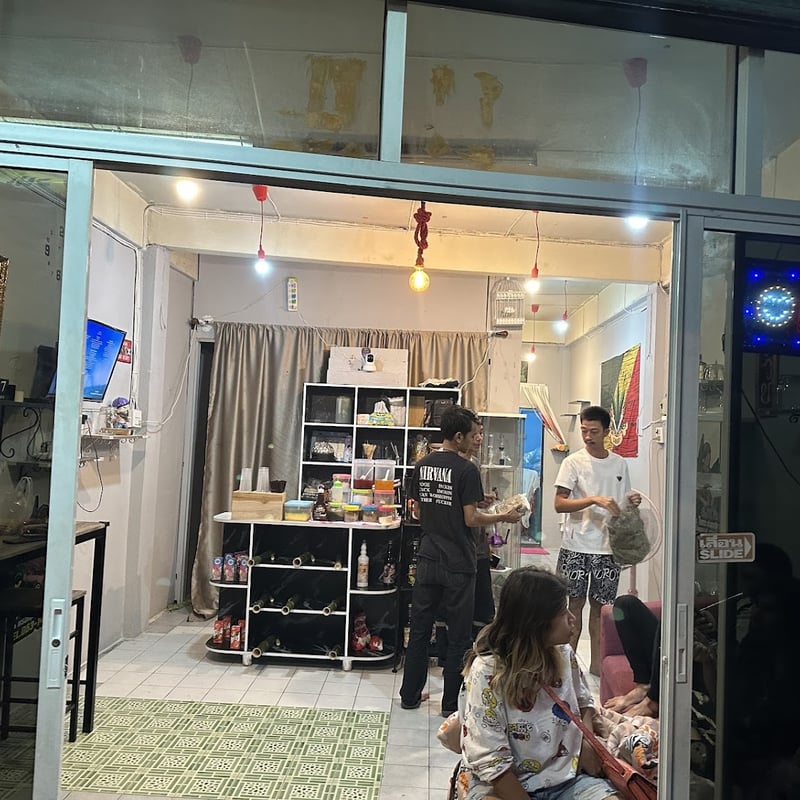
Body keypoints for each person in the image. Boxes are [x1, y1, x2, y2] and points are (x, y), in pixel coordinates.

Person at [399, 405, 522, 717]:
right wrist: (503, 516)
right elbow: (471, 518)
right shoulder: (466, 470)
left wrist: (456, 509)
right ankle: (449, 704)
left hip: (428, 557)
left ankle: (409, 696)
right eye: (473, 434)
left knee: (420, 629)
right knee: (459, 634)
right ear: (457, 437)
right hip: (458, 563)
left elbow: (418, 511)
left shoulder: (422, 465)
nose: (477, 439)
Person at [458, 566, 622, 800]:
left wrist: (587, 741)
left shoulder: (564, 653)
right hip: (502, 785)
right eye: (563, 613)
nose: (573, 619)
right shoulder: (488, 672)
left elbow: (584, 702)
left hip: (566, 779)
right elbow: (491, 763)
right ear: (537, 623)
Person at [553, 405, 641, 674]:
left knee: (601, 608)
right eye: (584, 431)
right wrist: (592, 499)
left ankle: (596, 668)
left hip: (607, 547)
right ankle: (567, 668)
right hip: (576, 546)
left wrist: (632, 501)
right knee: (573, 605)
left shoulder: (619, 463)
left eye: (593, 431)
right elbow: (559, 503)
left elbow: (623, 502)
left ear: (606, 432)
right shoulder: (572, 462)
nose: (588, 436)